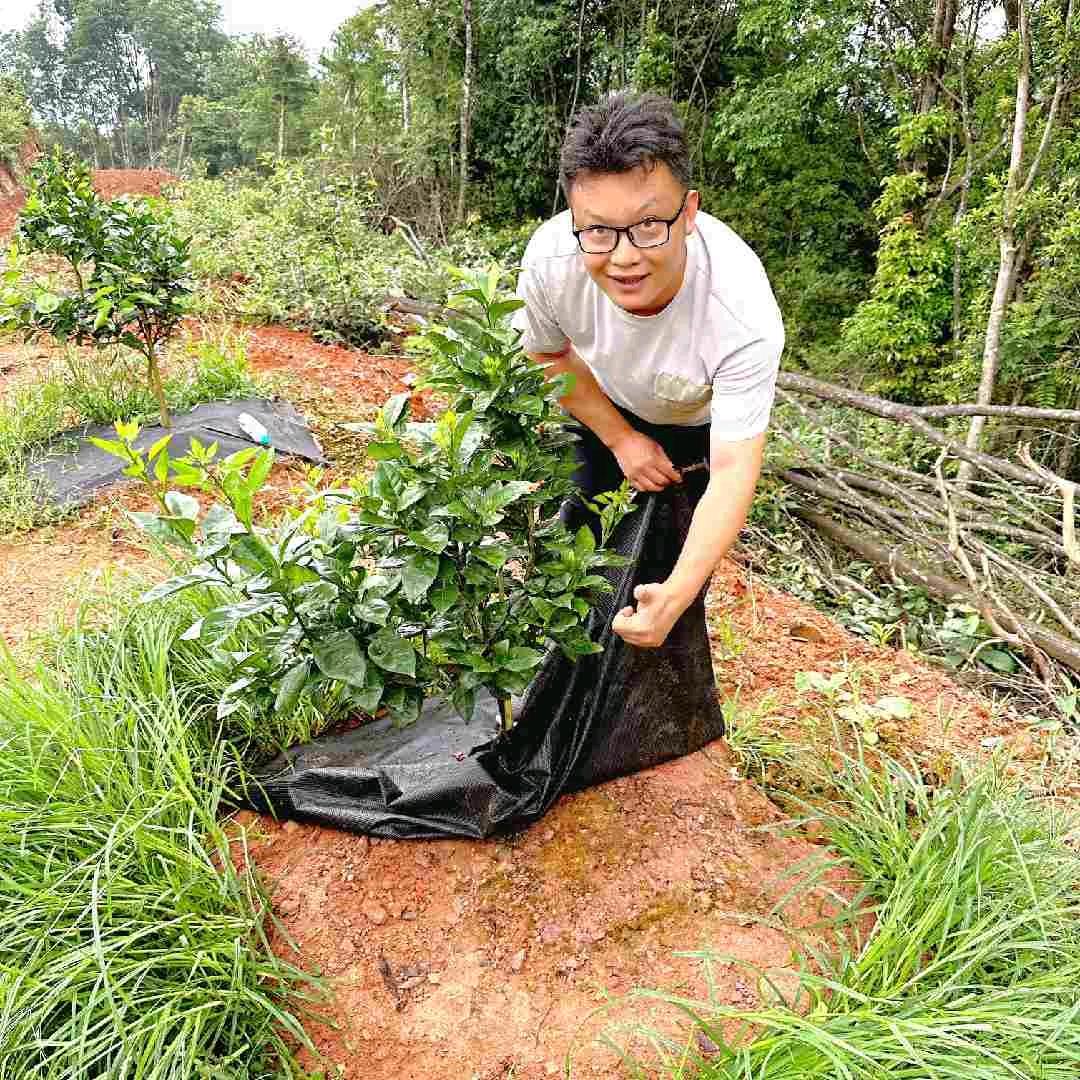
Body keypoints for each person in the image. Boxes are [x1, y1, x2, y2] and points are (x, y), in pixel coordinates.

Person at [513, 92, 785, 650]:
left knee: (665, 575)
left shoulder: (739, 312)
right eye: (599, 231)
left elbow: (734, 467)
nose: (624, 257)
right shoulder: (550, 261)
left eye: (647, 226)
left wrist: (677, 591)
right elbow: (548, 355)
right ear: (573, 218)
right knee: (576, 546)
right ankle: (551, 670)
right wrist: (621, 440)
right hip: (599, 401)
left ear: (689, 214)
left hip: (695, 428)